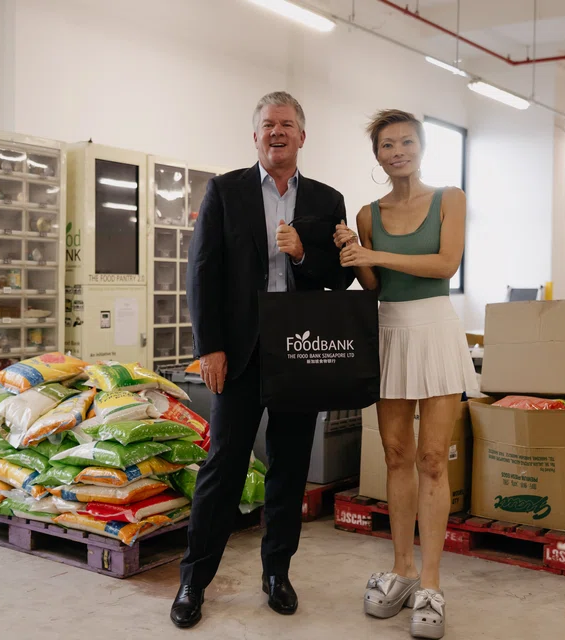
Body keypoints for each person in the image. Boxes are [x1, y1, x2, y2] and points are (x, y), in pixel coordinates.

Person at [172, 91, 355, 629]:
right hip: (240, 351)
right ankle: (193, 580)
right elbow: (202, 270)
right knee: (224, 465)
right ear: (255, 136)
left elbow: (339, 277)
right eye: (269, 124)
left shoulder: (326, 199)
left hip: (300, 351)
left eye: (287, 124)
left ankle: (277, 573)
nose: (278, 132)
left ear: (302, 136)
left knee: (290, 467)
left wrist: (303, 253)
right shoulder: (225, 191)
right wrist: (209, 347)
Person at [334, 109, 479, 640]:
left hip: (436, 330)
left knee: (433, 459)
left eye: (407, 142)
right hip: (389, 331)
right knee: (396, 455)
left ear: (422, 147)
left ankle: (432, 584)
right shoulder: (368, 213)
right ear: (377, 155)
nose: (398, 152)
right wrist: (353, 254)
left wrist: (374, 252)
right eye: (387, 145)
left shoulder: (449, 199)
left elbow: (445, 265)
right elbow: (374, 284)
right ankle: (402, 570)